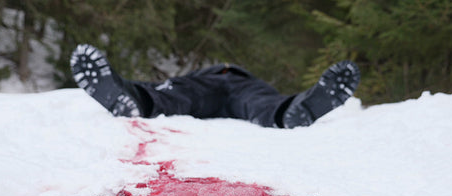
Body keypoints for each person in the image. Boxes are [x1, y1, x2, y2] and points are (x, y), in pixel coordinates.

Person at [70, 44, 360, 129]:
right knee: (261, 104)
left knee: (176, 95)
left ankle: (294, 110)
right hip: (232, 87)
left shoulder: (205, 77)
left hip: (221, 86)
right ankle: (132, 99)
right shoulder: (210, 77)